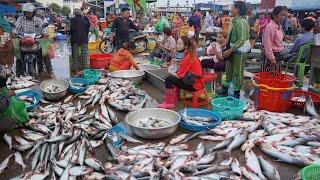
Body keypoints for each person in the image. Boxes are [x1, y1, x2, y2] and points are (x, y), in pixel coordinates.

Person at [158, 36, 204, 109]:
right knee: (173, 77)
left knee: (169, 79)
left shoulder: (188, 56)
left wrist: (170, 71)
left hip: (195, 85)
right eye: (177, 43)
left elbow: (180, 76)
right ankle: (172, 98)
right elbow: (184, 67)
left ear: (185, 46)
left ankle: (169, 103)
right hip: (196, 81)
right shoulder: (189, 53)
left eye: (179, 44)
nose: (177, 45)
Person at [222, 1, 250, 97]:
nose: (230, 9)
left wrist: (230, 50)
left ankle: (236, 93)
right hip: (233, 50)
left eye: (232, 7)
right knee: (228, 70)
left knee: (238, 72)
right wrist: (225, 44)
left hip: (240, 51)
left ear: (237, 9)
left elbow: (241, 39)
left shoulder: (241, 22)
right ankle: (225, 90)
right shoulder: (233, 21)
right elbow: (230, 36)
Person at [13, 3, 43, 76]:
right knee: (18, 56)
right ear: (24, 12)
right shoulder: (20, 19)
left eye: (30, 12)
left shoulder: (38, 20)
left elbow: (42, 29)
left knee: (45, 54)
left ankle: (45, 71)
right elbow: (16, 28)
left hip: (35, 41)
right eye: (26, 12)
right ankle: (18, 74)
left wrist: (45, 33)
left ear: (33, 12)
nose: (28, 14)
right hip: (23, 41)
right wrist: (14, 32)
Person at [261, 6, 288, 73]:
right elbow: (267, 44)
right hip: (272, 57)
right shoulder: (270, 26)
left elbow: (277, 38)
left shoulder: (279, 25)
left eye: (284, 15)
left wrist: (285, 37)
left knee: (276, 78)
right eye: (281, 15)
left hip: (278, 56)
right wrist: (272, 58)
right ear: (275, 15)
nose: (283, 17)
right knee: (269, 78)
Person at [69, 8, 90, 75]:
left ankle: (76, 70)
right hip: (84, 39)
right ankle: (85, 69)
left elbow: (72, 29)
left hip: (75, 40)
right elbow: (88, 29)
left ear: (75, 13)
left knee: (75, 55)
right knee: (84, 55)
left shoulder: (72, 20)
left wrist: (69, 35)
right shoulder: (85, 20)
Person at [36, 9, 54, 77]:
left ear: (42, 16)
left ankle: (49, 70)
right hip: (37, 40)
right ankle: (40, 71)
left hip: (43, 40)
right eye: (37, 15)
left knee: (45, 56)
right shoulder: (36, 20)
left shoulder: (44, 21)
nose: (38, 17)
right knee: (39, 57)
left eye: (39, 16)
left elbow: (45, 32)